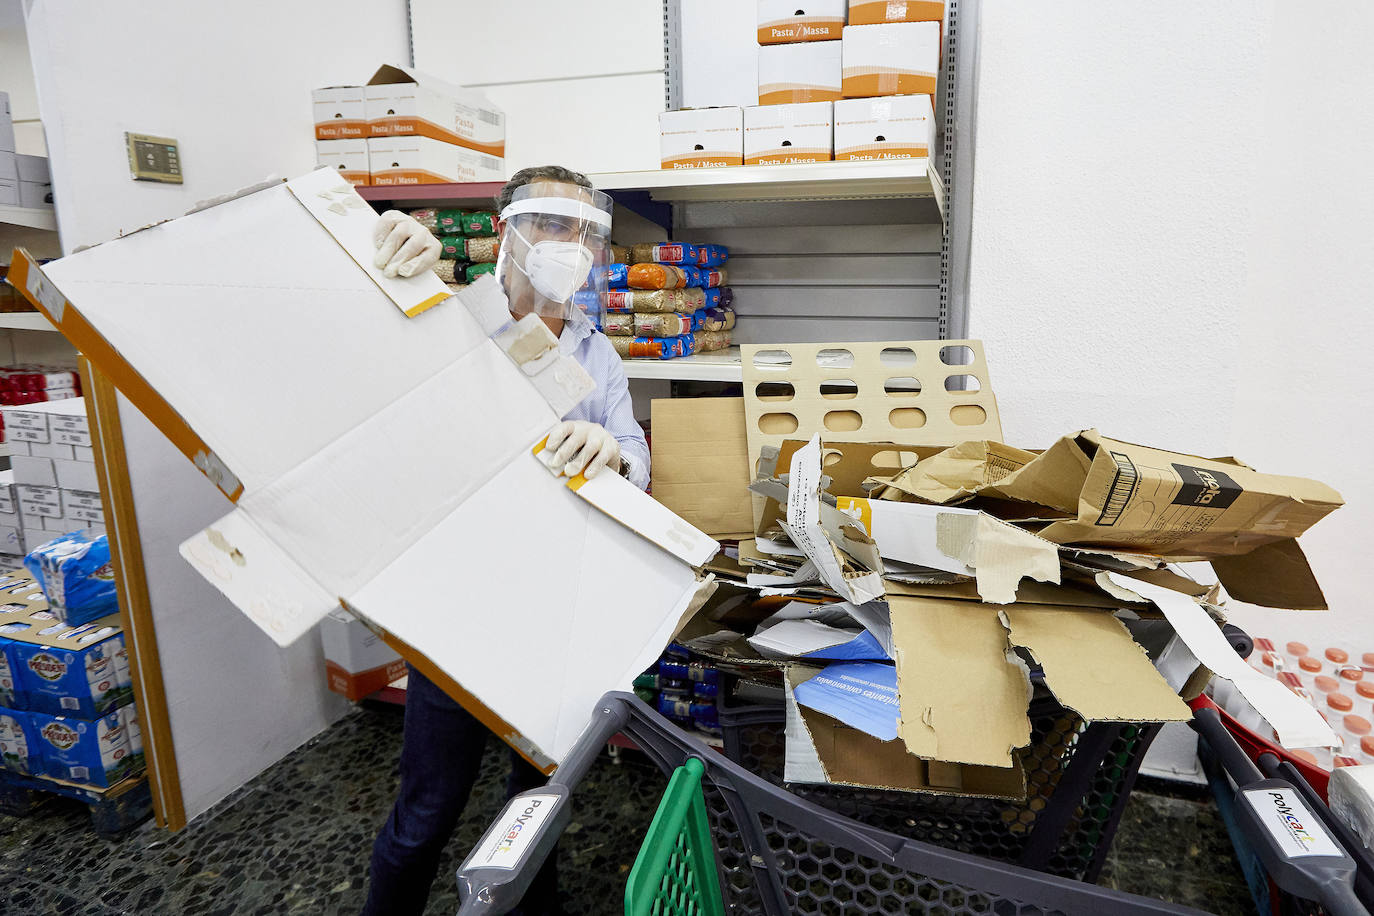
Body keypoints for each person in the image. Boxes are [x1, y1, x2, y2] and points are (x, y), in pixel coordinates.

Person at [361, 166, 648, 916]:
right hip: (457, 616)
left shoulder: (597, 352)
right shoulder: (445, 316)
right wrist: (382, 268)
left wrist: (616, 453)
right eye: (554, 225)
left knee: (534, 807)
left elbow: (636, 460)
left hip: (552, 611)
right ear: (506, 234)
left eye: (587, 232)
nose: (571, 246)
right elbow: (374, 390)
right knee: (429, 810)